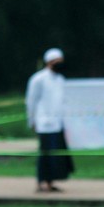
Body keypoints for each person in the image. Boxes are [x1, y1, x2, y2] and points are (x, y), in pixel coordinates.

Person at [25, 47, 73, 193]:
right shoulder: (38, 79)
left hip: (58, 123)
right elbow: (31, 101)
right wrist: (31, 120)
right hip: (44, 122)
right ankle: (42, 182)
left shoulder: (60, 79)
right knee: (45, 154)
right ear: (50, 62)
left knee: (56, 155)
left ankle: (51, 182)